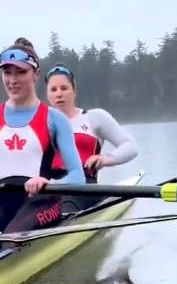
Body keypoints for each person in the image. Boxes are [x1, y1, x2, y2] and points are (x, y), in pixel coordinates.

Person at [0, 39, 86, 257]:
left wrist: (49, 183)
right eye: (7, 73)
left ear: (35, 74)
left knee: (10, 247)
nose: (13, 80)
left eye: (20, 73)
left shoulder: (54, 119)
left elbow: (77, 176)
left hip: (41, 201)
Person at [45, 63, 139, 212]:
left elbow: (131, 146)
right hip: (48, 188)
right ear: (48, 95)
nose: (59, 94)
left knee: (64, 204)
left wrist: (104, 160)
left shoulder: (94, 117)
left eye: (64, 88)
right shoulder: (40, 125)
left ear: (74, 91)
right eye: (53, 90)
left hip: (83, 187)